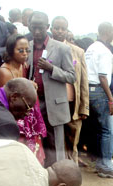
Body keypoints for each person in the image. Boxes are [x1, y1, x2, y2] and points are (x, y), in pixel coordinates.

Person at [27, 11, 76, 167]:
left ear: (47, 27)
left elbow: (71, 76)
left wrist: (51, 68)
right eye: (33, 28)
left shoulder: (62, 48)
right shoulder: (27, 47)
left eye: (40, 28)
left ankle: (59, 178)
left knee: (55, 145)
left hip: (54, 105)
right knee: (34, 143)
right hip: (33, 104)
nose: (36, 32)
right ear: (29, 27)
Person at [0, 34, 47, 164]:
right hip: (16, 121)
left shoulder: (23, 66)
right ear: (11, 50)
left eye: (27, 50)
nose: (25, 54)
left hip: (29, 118)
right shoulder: (5, 72)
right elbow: (5, 103)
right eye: (20, 50)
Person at [51, 16, 89, 164]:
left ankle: (72, 175)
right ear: (51, 29)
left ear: (67, 30)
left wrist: (84, 107)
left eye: (63, 28)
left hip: (72, 104)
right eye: (56, 28)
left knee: (72, 141)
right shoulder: (46, 50)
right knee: (56, 143)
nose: (60, 31)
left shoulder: (77, 52)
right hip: (53, 104)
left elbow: (83, 81)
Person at [85, 22, 113, 178]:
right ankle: (105, 165)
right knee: (109, 131)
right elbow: (103, 77)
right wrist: (111, 100)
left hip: (89, 90)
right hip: (99, 90)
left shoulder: (91, 49)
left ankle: (100, 163)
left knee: (99, 129)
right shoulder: (104, 51)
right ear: (110, 32)